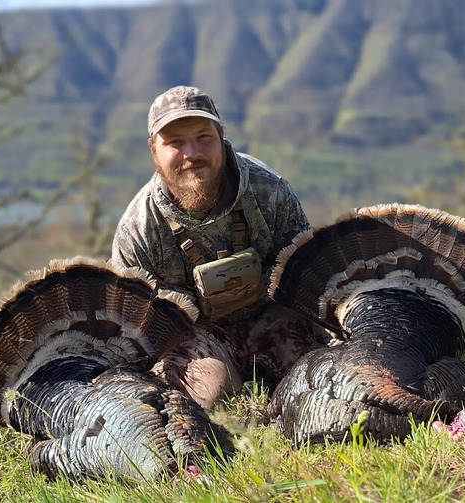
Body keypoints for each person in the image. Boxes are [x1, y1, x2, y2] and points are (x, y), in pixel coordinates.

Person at [111, 86, 327, 408]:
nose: (191, 153)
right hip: (196, 336)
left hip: (272, 318)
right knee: (212, 403)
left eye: (203, 136)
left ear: (221, 136)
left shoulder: (269, 191)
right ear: (153, 150)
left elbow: (309, 276)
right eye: (174, 143)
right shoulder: (138, 230)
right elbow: (134, 331)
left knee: (319, 382)